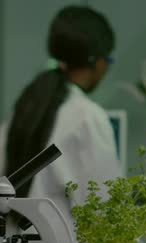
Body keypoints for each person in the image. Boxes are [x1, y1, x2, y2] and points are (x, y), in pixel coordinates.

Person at [0, 6, 121, 222]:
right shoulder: (88, 118)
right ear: (97, 61)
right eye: (109, 61)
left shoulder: (26, 107)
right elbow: (109, 211)